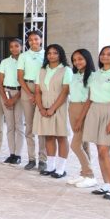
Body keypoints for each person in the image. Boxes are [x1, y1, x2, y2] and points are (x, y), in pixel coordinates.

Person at [83, 46, 110, 200]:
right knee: (99, 150)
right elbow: (90, 97)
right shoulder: (94, 75)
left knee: (104, 151)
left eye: (109, 54)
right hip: (94, 111)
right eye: (103, 53)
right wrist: (83, 116)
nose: (105, 56)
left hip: (109, 111)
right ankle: (106, 184)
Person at [34, 44, 71, 178]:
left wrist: (52, 108)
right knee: (49, 136)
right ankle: (50, 166)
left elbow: (65, 92)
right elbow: (37, 91)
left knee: (61, 136)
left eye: (55, 53)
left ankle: (61, 169)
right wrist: (41, 108)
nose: (52, 55)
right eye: (49, 53)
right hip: (43, 106)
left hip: (59, 107)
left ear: (60, 54)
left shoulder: (66, 70)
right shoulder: (42, 70)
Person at [67, 49, 97, 188]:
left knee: (75, 144)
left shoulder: (92, 76)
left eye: (80, 59)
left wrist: (80, 118)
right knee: (84, 145)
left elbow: (90, 99)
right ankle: (84, 174)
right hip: (72, 107)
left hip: (84, 110)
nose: (77, 62)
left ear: (87, 59)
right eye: (74, 60)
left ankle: (90, 175)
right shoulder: (74, 75)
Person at [18, 31, 47, 171]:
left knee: (41, 126)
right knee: (29, 126)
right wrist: (30, 93)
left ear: (41, 39)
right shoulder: (23, 56)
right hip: (27, 88)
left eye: (36, 39)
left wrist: (38, 93)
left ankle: (43, 159)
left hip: (42, 89)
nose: (33, 42)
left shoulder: (47, 55)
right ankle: (31, 159)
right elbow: (20, 77)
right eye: (30, 40)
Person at [0, 39, 24, 164]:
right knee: (10, 126)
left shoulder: (24, 60)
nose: (14, 48)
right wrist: (6, 99)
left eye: (17, 46)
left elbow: (24, 82)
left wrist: (15, 98)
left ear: (21, 46)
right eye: (11, 46)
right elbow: (0, 82)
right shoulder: (5, 62)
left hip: (20, 93)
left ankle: (18, 154)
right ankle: (12, 153)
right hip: (6, 93)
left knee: (19, 125)